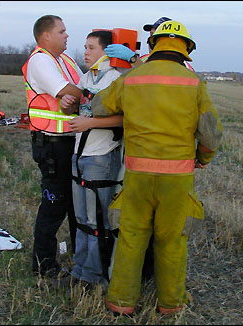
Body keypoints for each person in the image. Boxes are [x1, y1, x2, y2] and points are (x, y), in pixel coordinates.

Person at [91, 20, 223, 315]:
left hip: (137, 176)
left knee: (131, 237)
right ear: (186, 49)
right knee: (173, 241)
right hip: (177, 179)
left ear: (153, 45)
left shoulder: (134, 77)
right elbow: (212, 134)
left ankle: (120, 303)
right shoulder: (194, 83)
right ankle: (171, 305)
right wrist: (203, 159)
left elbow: (100, 107)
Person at [60, 30, 123, 289]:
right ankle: (80, 269)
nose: (85, 52)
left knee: (98, 221)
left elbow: (124, 119)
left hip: (101, 158)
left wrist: (90, 123)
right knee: (82, 220)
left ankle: (94, 277)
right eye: (85, 47)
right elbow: (79, 111)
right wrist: (68, 105)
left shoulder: (116, 79)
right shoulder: (86, 77)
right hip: (80, 155)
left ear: (107, 51)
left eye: (91, 48)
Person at [22, 15, 84, 278]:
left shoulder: (66, 60)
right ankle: (43, 264)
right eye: (62, 31)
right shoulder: (40, 60)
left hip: (69, 141)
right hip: (52, 143)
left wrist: (82, 95)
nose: (67, 36)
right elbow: (71, 91)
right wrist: (86, 96)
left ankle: (78, 255)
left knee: (74, 202)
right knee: (54, 203)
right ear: (45, 35)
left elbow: (82, 88)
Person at [104, 16, 194, 71]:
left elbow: (152, 80)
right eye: (151, 35)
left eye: (155, 37)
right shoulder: (144, 58)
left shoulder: (184, 67)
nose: (151, 41)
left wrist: (133, 59)